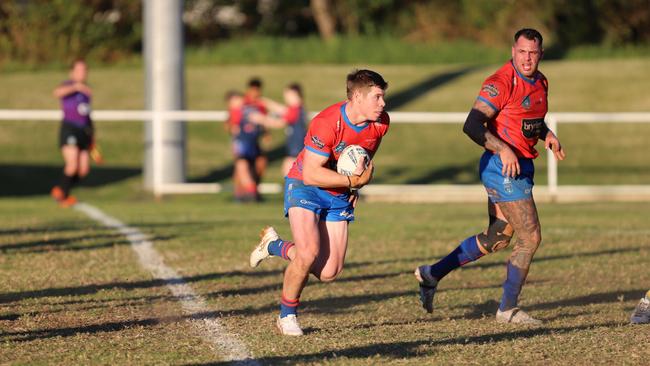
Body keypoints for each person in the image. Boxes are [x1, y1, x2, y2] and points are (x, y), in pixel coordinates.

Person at [414, 28, 566, 325]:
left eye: (533, 53)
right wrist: (502, 149)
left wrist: (547, 135)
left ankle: (431, 274)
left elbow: (530, 118)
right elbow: (472, 124)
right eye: (522, 52)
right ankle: (507, 309)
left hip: (521, 166)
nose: (527, 58)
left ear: (541, 54)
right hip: (502, 169)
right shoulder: (499, 83)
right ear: (513, 51)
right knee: (530, 237)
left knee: (497, 238)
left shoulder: (541, 81)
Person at [248, 70, 390, 336]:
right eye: (377, 97)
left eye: (384, 97)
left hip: (337, 192)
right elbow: (312, 173)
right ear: (357, 96)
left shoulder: (381, 122)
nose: (383, 103)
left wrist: (354, 186)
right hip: (306, 185)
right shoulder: (326, 122)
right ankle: (287, 315)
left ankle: (274, 245)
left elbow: (361, 157)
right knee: (308, 253)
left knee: (329, 272)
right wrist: (353, 182)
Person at [50, 59, 94, 207]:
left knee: (83, 169)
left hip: (84, 131)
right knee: (72, 163)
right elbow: (56, 93)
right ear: (72, 72)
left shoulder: (87, 91)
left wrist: (92, 134)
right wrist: (76, 86)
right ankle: (62, 194)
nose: (82, 73)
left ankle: (62, 190)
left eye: (84, 70)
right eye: (79, 70)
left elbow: (87, 114)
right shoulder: (68, 85)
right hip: (70, 128)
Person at [251, 83, 308, 176]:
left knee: (288, 173)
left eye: (288, 95)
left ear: (295, 95)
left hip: (296, 150)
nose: (286, 98)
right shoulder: (297, 108)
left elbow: (278, 123)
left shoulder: (295, 110)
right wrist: (264, 102)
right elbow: (281, 109)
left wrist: (260, 119)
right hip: (296, 149)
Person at [225, 90, 263, 202]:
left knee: (245, 169)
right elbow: (231, 128)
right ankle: (249, 193)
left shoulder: (246, 110)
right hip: (242, 145)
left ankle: (248, 193)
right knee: (241, 167)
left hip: (250, 144)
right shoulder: (235, 112)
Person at [244, 77, 269, 185]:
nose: (256, 92)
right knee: (243, 166)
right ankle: (241, 193)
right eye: (254, 90)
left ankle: (255, 186)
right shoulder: (243, 103)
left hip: (255, 140)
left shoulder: (260, 104)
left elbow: (264, 120)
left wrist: (266, 133)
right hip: (244, 140)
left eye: (258, 90)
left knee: (261, 162)